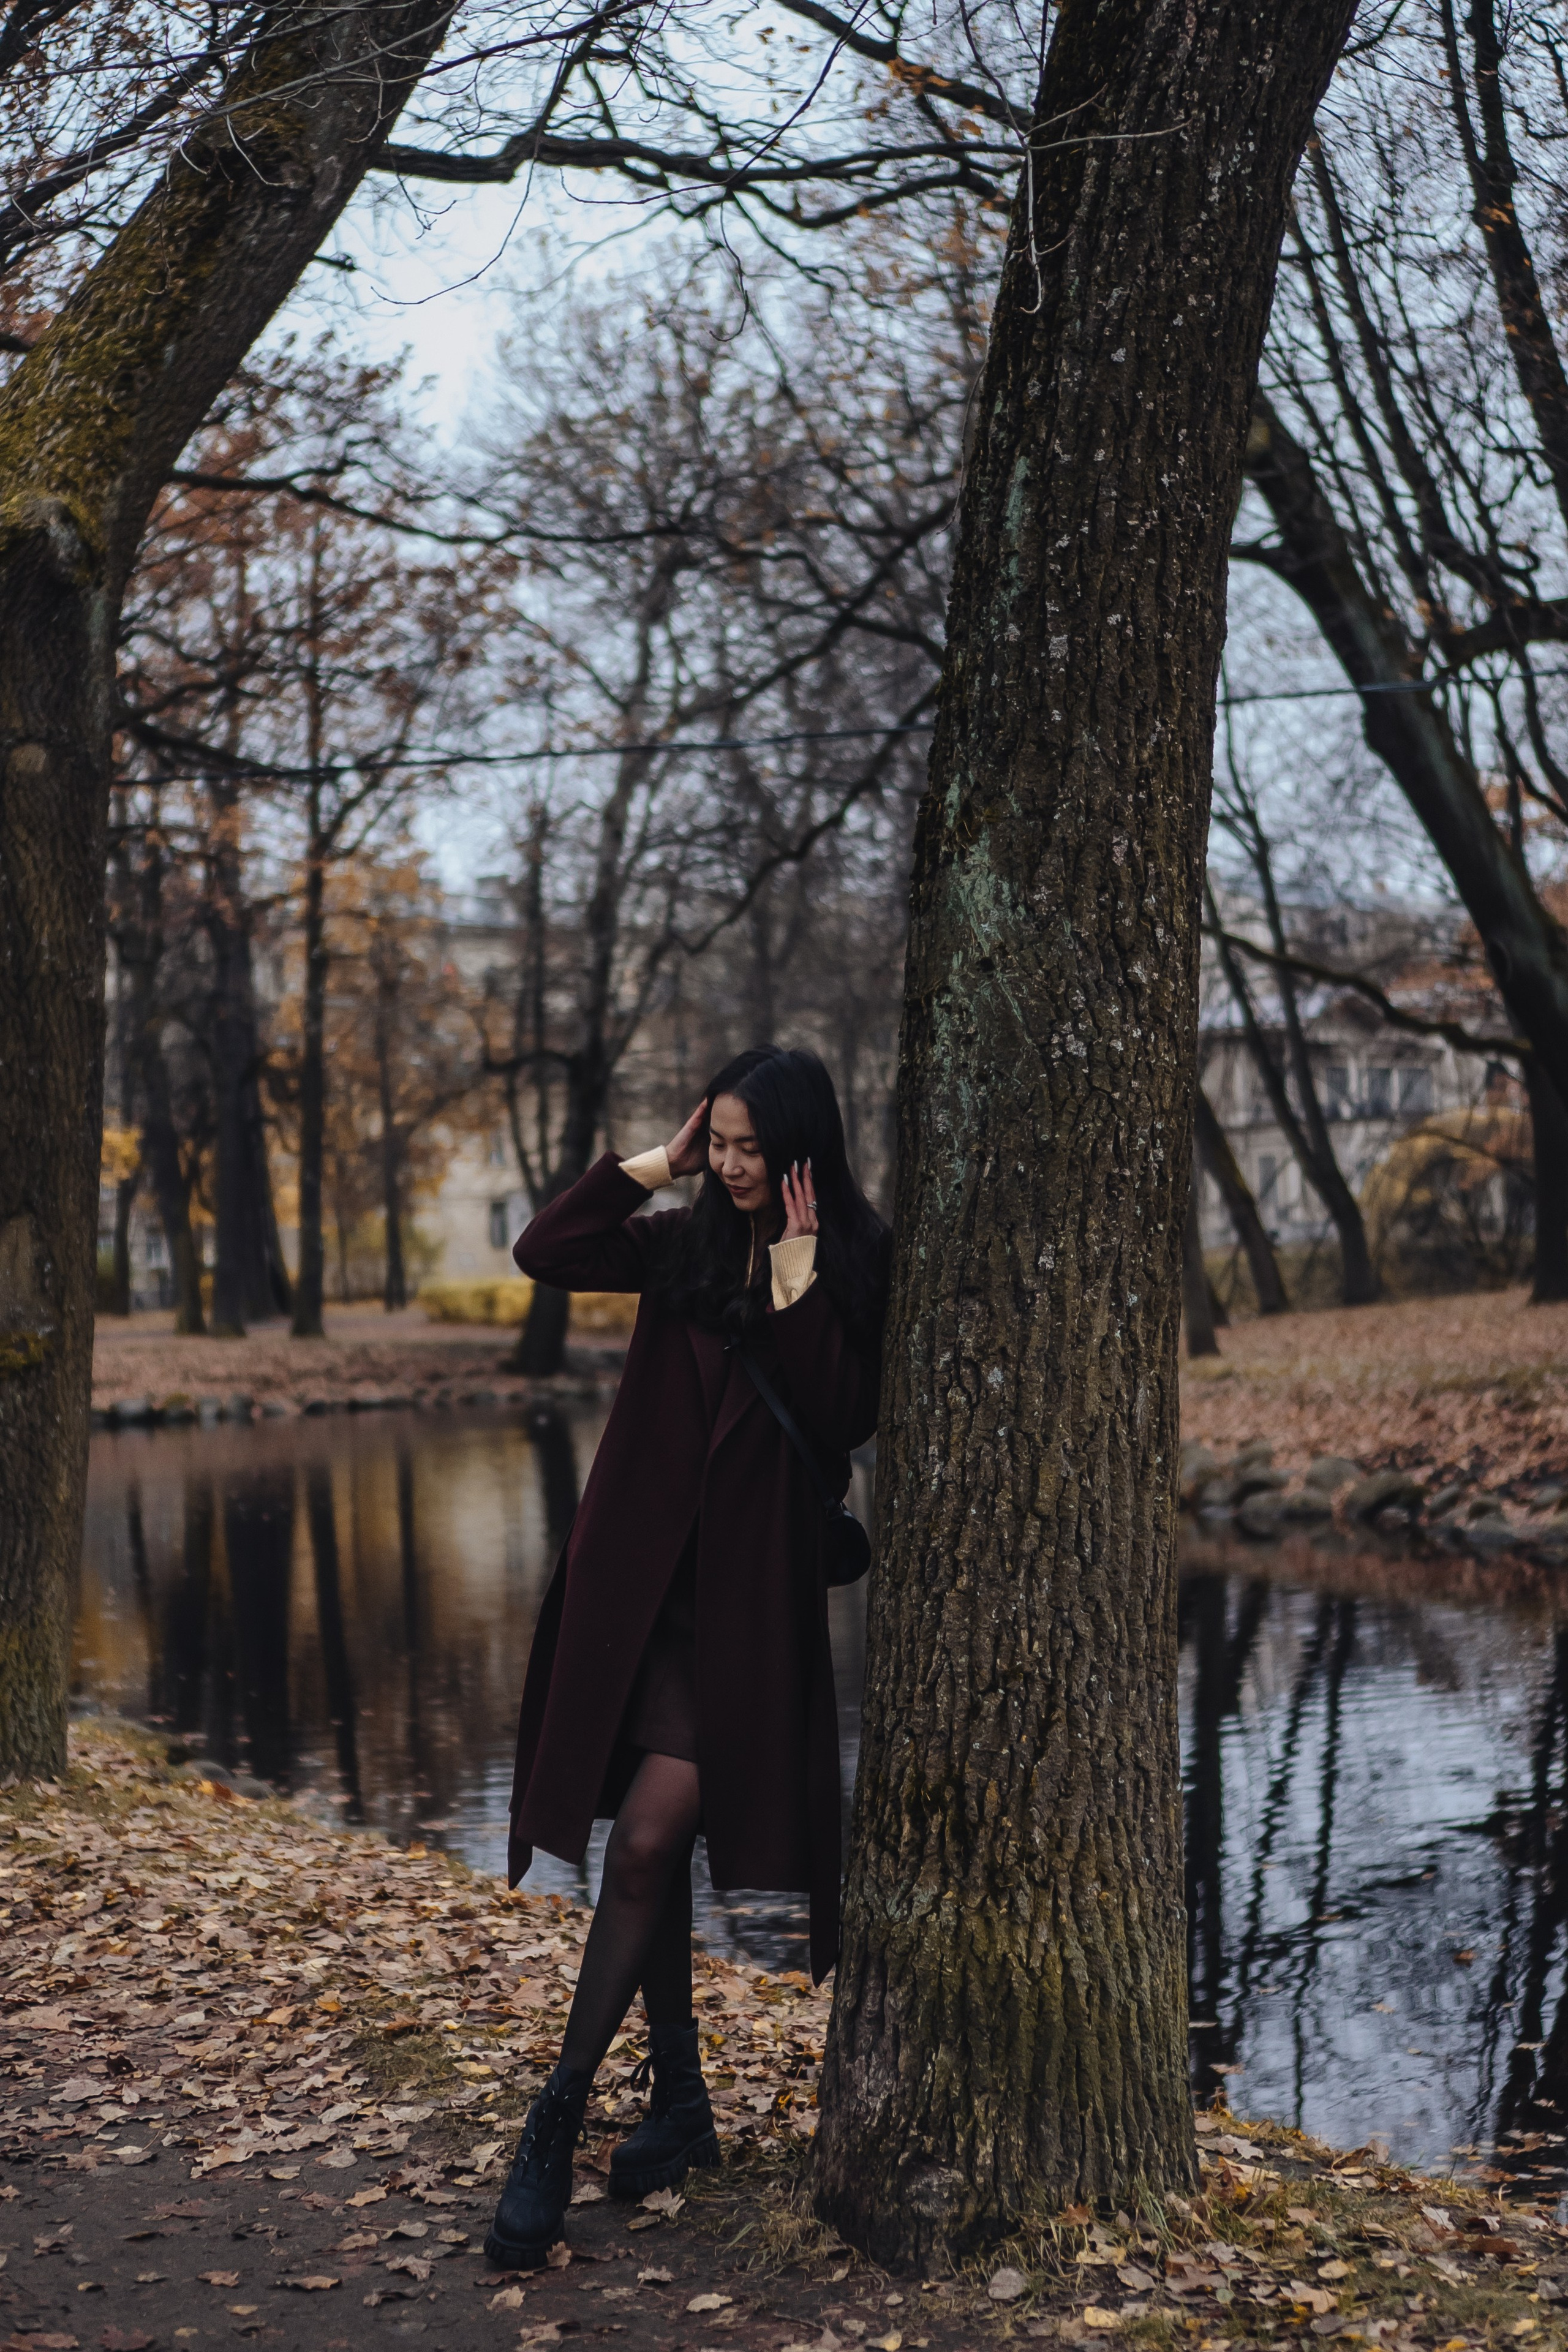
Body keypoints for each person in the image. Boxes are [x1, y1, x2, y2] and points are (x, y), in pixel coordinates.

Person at [484, 1045, 890, 2270]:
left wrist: (800, 1283)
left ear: (801, 1149)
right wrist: (647, 1164)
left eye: (749, 1148)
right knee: (638, 1845)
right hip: (641, 1591)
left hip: (744, 1612)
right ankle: (678, 2106)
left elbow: (842, 1417)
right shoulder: (677, 1239)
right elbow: (544, 1251)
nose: (729, 1166)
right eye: (714, 1143)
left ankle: (555, 2119)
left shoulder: (853, 1257)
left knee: (653, 1837)